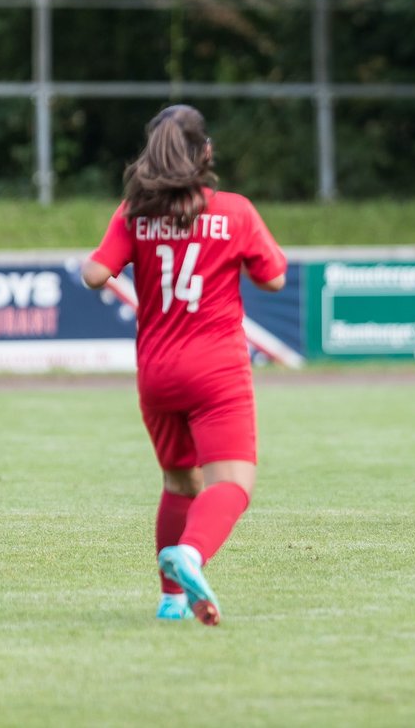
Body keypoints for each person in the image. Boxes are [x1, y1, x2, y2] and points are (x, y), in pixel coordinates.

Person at [82, 104, 287, 624]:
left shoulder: (133, 213)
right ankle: (192, 554)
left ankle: (171, 599)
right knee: (232, 484)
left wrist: (112, 260)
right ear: (206, 152)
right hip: (216, 369)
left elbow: (93, 273)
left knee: (179, 484)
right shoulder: (235, 211)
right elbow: (274, 279)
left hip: (156, 373)